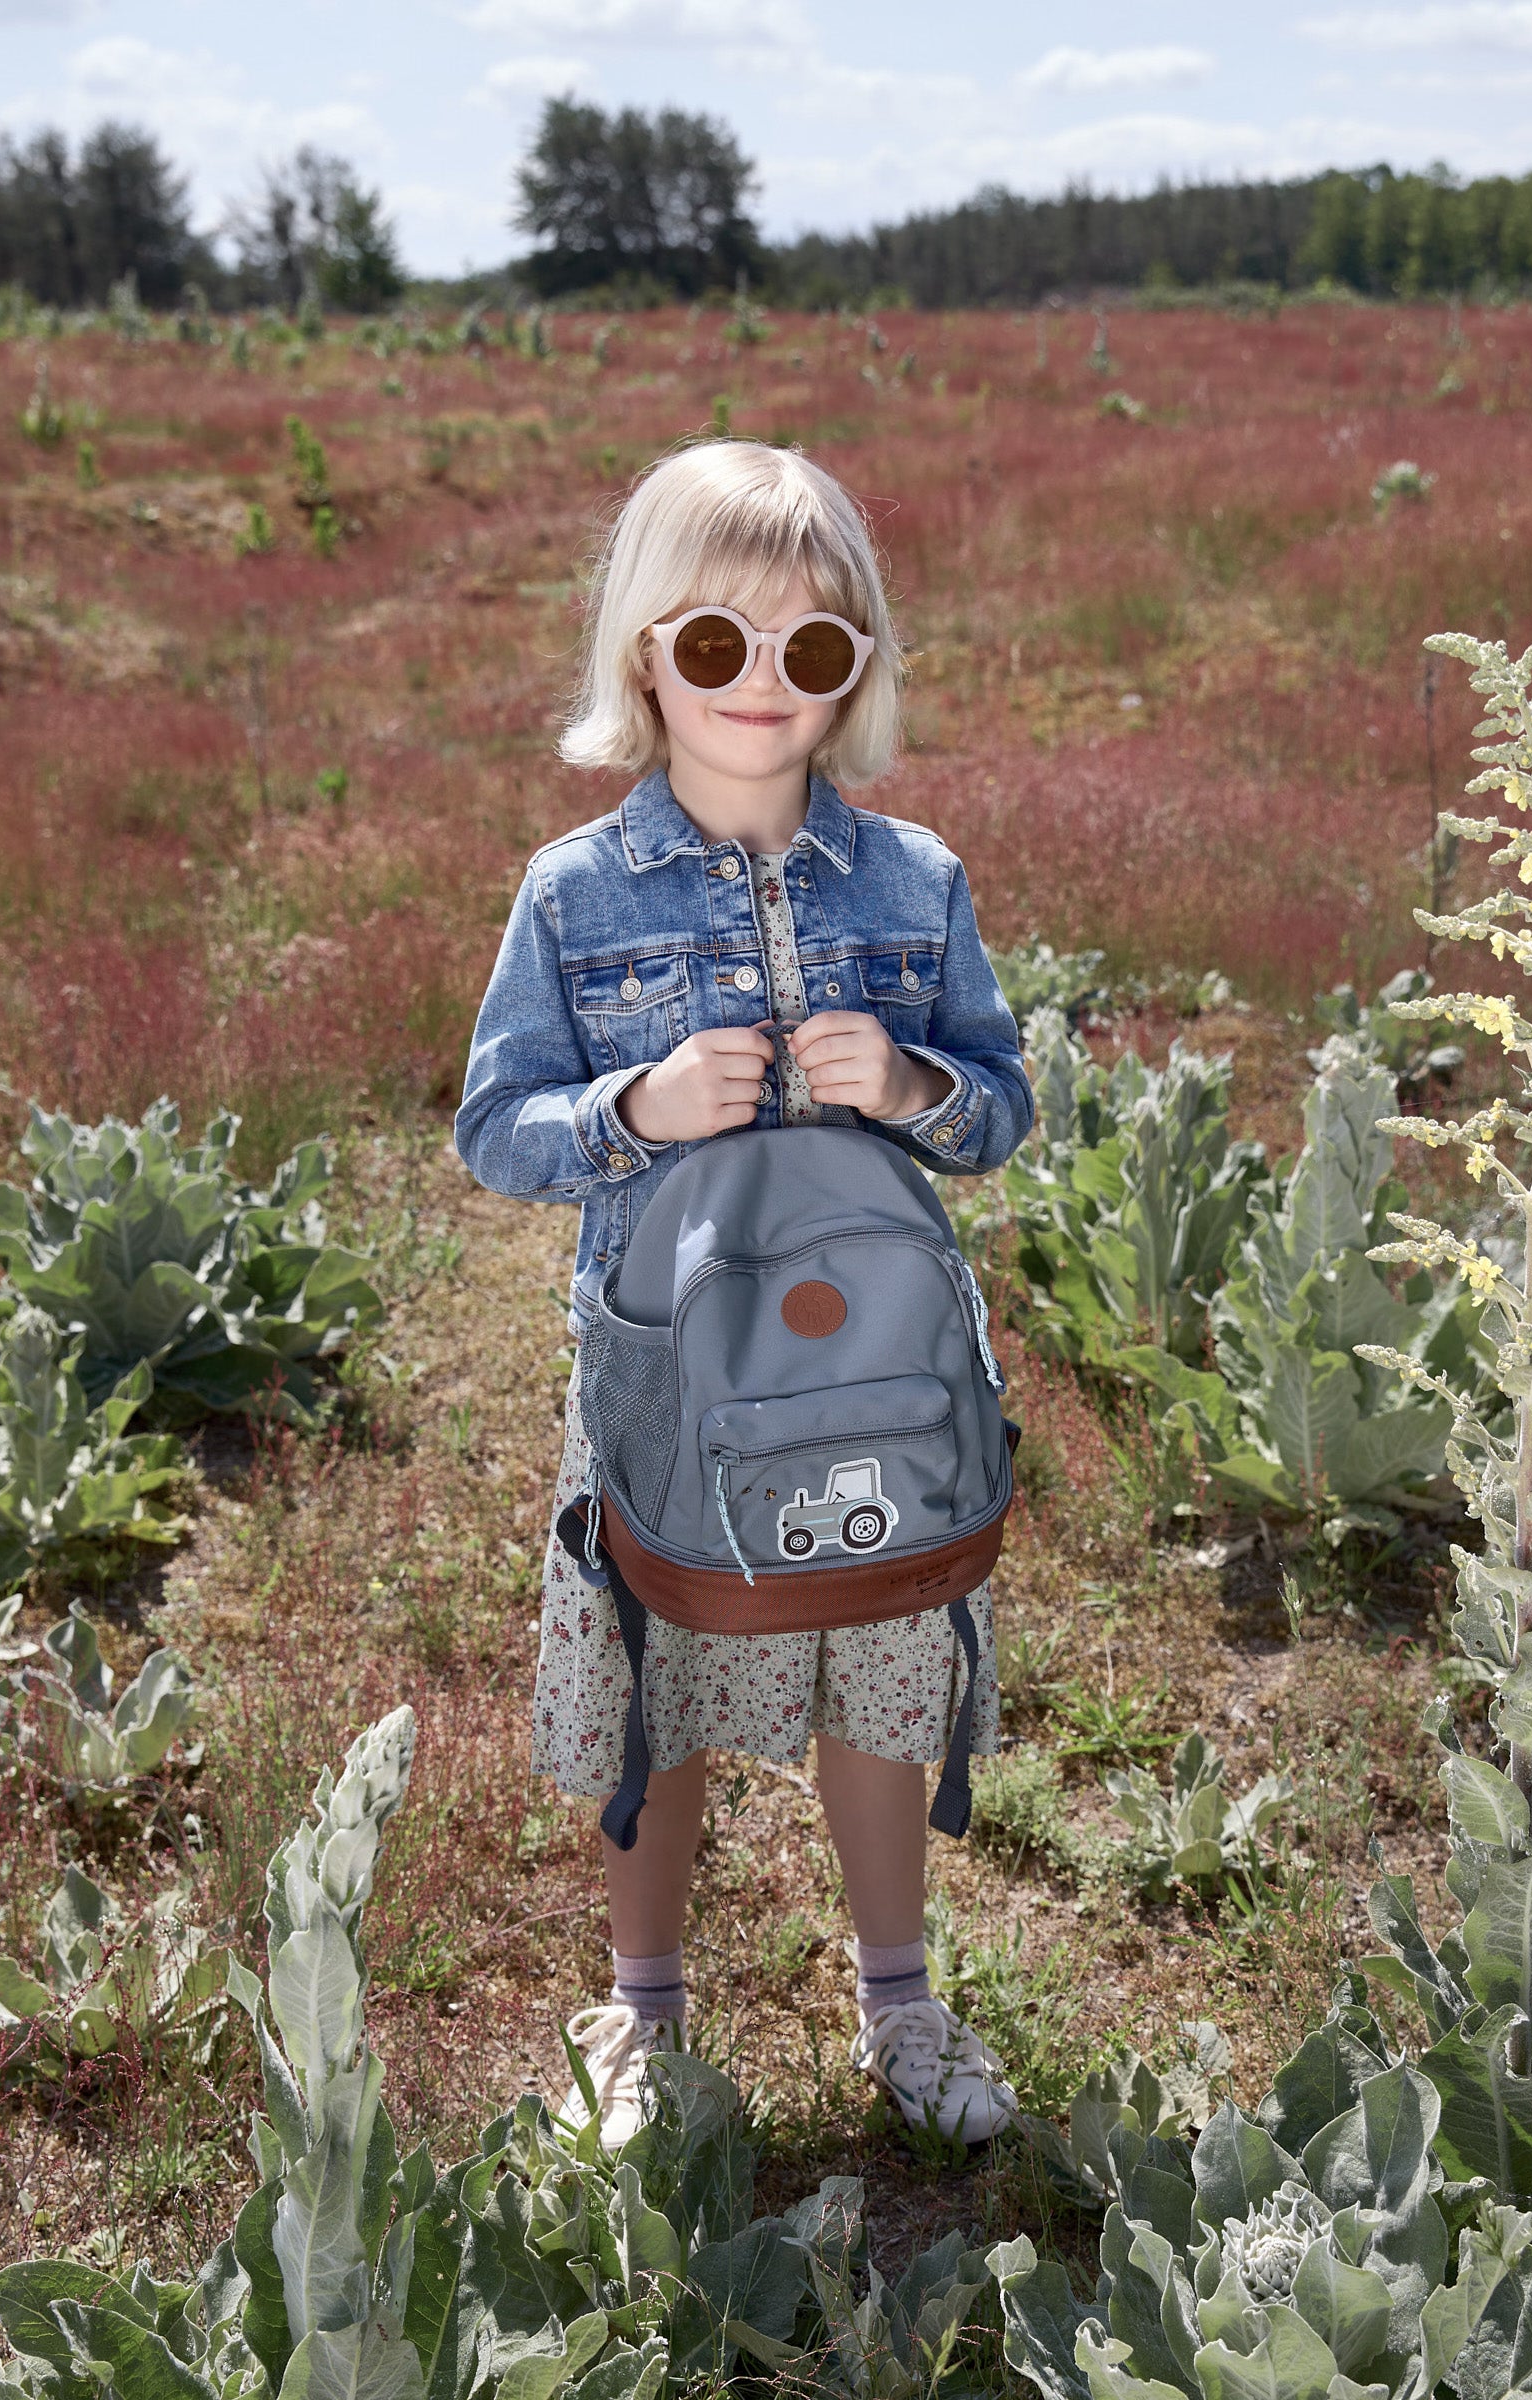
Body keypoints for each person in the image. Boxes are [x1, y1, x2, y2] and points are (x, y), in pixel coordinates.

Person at [454, 439, 1034, 2149]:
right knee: (664, 1675)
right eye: (717, 644)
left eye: (813, 648)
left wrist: (917, 1086)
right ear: (647, 655)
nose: (764, 685)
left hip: (878, 1378)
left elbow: (1001, 1105)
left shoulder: (911, 880)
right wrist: (629, 1113)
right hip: (666, 1381)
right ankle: (642, 2014)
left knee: (883, 1664)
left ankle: (901, 1997)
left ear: (858, 666)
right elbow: (496, 1127)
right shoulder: (575, 894)